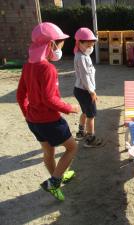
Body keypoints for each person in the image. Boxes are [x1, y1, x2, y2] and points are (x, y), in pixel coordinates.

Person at [16, 22, 79, 201]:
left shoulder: (28, 66)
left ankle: (56, 177)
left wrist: (27, 114)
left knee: (48, 151)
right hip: (49, 121)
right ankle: (54, 182)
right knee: (72, 148)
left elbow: (20, 95)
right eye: (60, 44)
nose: (61, 48)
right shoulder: (48, 68)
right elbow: (49, 99)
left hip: (33, 121)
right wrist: (70, 108)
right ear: (50, 44)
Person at [73, 27, 104, 147]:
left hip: (80, 90)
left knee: (85, 112)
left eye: (92, 45)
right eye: (88, 45)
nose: (90, 48)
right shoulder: (81, 58)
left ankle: (81, 133)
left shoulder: (82, 55)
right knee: (91, 116)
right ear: (79, 42)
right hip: (84, 91)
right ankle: (90, 139)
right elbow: (85, 76)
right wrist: (92, 92)